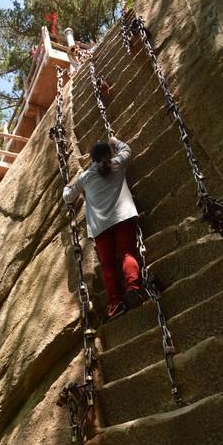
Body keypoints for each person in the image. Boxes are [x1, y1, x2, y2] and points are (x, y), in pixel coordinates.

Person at [63, 137, 142, 320]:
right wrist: (114, 140)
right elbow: (126, 149)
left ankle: (115, 303)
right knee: (127, 254)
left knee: (108, 266)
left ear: (91, 159)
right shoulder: (117, 163)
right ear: (109, 154)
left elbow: (68, 197)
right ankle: (133, 288)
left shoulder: (85, 177)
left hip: (101, 227)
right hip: (123, 218)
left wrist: (67, 187)